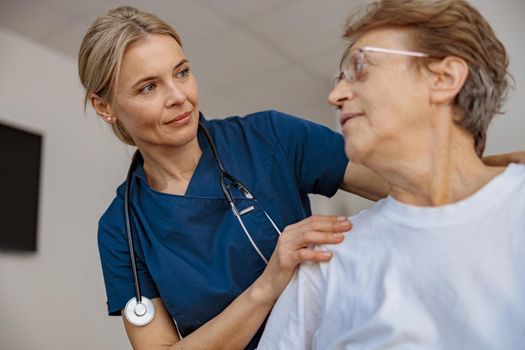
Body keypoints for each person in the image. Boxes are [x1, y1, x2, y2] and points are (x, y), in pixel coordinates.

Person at [77, 5, 523, 350]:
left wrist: (497, 175)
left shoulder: (269, 137)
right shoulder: (122, 230)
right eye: (148, 87)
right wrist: (270, 282)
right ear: (105, 107)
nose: (179, 97)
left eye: (182, 72)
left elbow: (413, 184)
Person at [258, 0, 525, 349]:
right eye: (341, 79)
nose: (335, 95)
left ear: (443, 79)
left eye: (361, 67)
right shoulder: (329, 260)